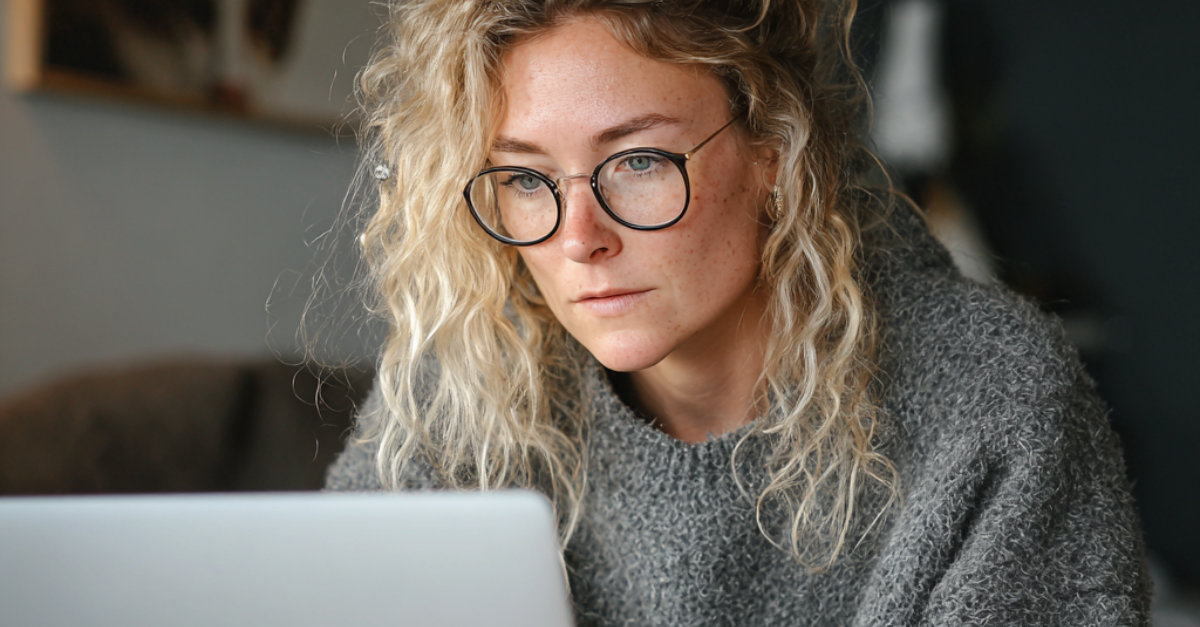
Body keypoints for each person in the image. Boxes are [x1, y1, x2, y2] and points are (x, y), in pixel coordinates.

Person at [324, 0, 1151, 623]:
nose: (579, 239)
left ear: (775, 152)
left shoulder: (994, 408)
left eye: (638, 161)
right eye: (526, 179)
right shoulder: (466, 385)